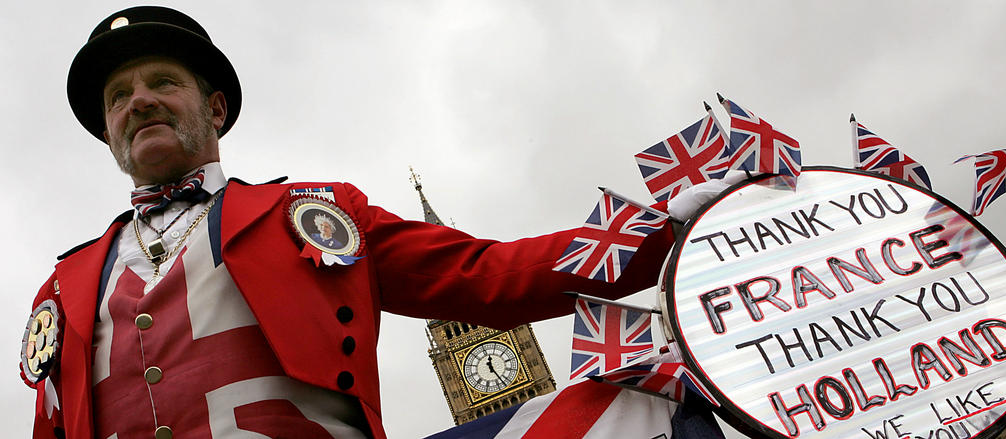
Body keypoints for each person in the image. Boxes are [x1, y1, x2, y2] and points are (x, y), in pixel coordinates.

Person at [19, 6, 722, 439]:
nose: (138, 101)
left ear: (216, 109)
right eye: (119, 96)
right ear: (108, 133)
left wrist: (658, 232)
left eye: (161, 83)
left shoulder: (308, 215)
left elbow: (488, 275)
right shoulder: (63, 286)